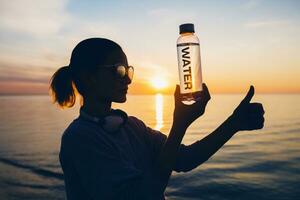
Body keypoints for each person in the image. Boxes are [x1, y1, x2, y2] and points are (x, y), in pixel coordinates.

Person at [49, 38, 265, 200]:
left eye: (128, 71)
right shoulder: (79, 138)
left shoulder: (132, 126)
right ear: (89, 76)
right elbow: (143, 195)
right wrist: (179, 124)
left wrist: (234, 123)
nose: (128, 80)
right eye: (119, 70)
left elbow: (185, 158)